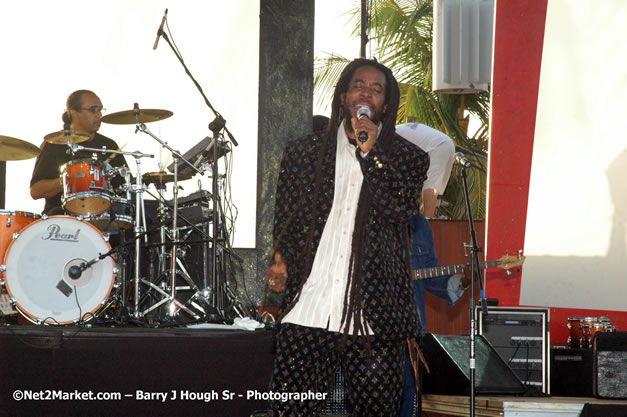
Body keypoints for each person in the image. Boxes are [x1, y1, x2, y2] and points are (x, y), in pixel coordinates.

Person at [264, 58, 429, 416]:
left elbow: (399, 210)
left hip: (376, 315)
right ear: (343, 96)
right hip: (310, 305)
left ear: (386, 104)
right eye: (359, 85)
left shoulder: (409, 158)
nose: (366, 92)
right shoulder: (303, 152)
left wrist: (371, 154)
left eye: (376, 88)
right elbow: (287, 217)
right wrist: (280, 258)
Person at [400, 213, 470, 417]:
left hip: (410, 331)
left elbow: (432, 277)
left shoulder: (420, 224)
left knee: (409, 397)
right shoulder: (371, 217)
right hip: (374, 331)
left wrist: (462, 282)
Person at [30, 90, 127, 215]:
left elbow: (123, 188)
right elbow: (36, 191)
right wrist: (71, 178)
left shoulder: (109, 145)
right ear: (74, 112)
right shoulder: (54, 144)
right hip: (61, 219)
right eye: (93, 110)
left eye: (100, 110)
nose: (99, 115)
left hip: (102, 218)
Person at [396, 123, 455, 218]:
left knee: (430, 186)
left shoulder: (387, 137)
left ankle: (427, 222)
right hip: (443, 144)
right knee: (429, 187)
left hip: (438, 146)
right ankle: (426, 220)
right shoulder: (395, 130)